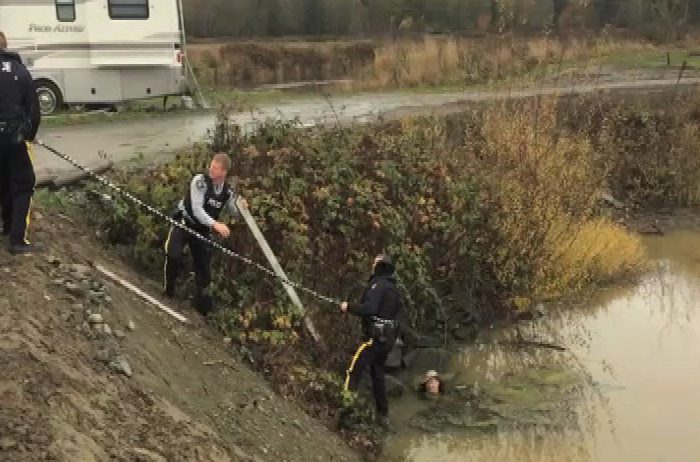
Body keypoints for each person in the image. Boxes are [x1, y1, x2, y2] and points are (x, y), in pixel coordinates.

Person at [163, 152, 247, 315]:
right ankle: (168, 292)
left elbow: (233, 212)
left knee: (204, 272)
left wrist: (241, 207)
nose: (211, 170)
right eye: (211, 166)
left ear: (223, 173)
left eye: (216, 168)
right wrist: (215, 224)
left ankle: (201, 311)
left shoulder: (227, 191)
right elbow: (196, 209)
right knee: (173, 256)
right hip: (185, 222)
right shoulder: (200, 181)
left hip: (202, 231)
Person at [340, 254, 402, 428]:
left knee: (353, 371)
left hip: (374, 340)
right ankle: (383, 416)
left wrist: (348, 307)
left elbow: (369, 309)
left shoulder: (378, 285)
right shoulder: (393, 288)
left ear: (380, 266)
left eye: (374, 262)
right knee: (378, 375)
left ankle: (345, 411)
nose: (372, 264)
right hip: (387, 341)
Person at [0, 31, 42, 254]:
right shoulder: (19, 71)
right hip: (15, 137)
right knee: (23, 183)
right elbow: (34, 110)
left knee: (4, 180)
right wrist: (29, 135)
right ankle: (17, 239)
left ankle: (6, 225)